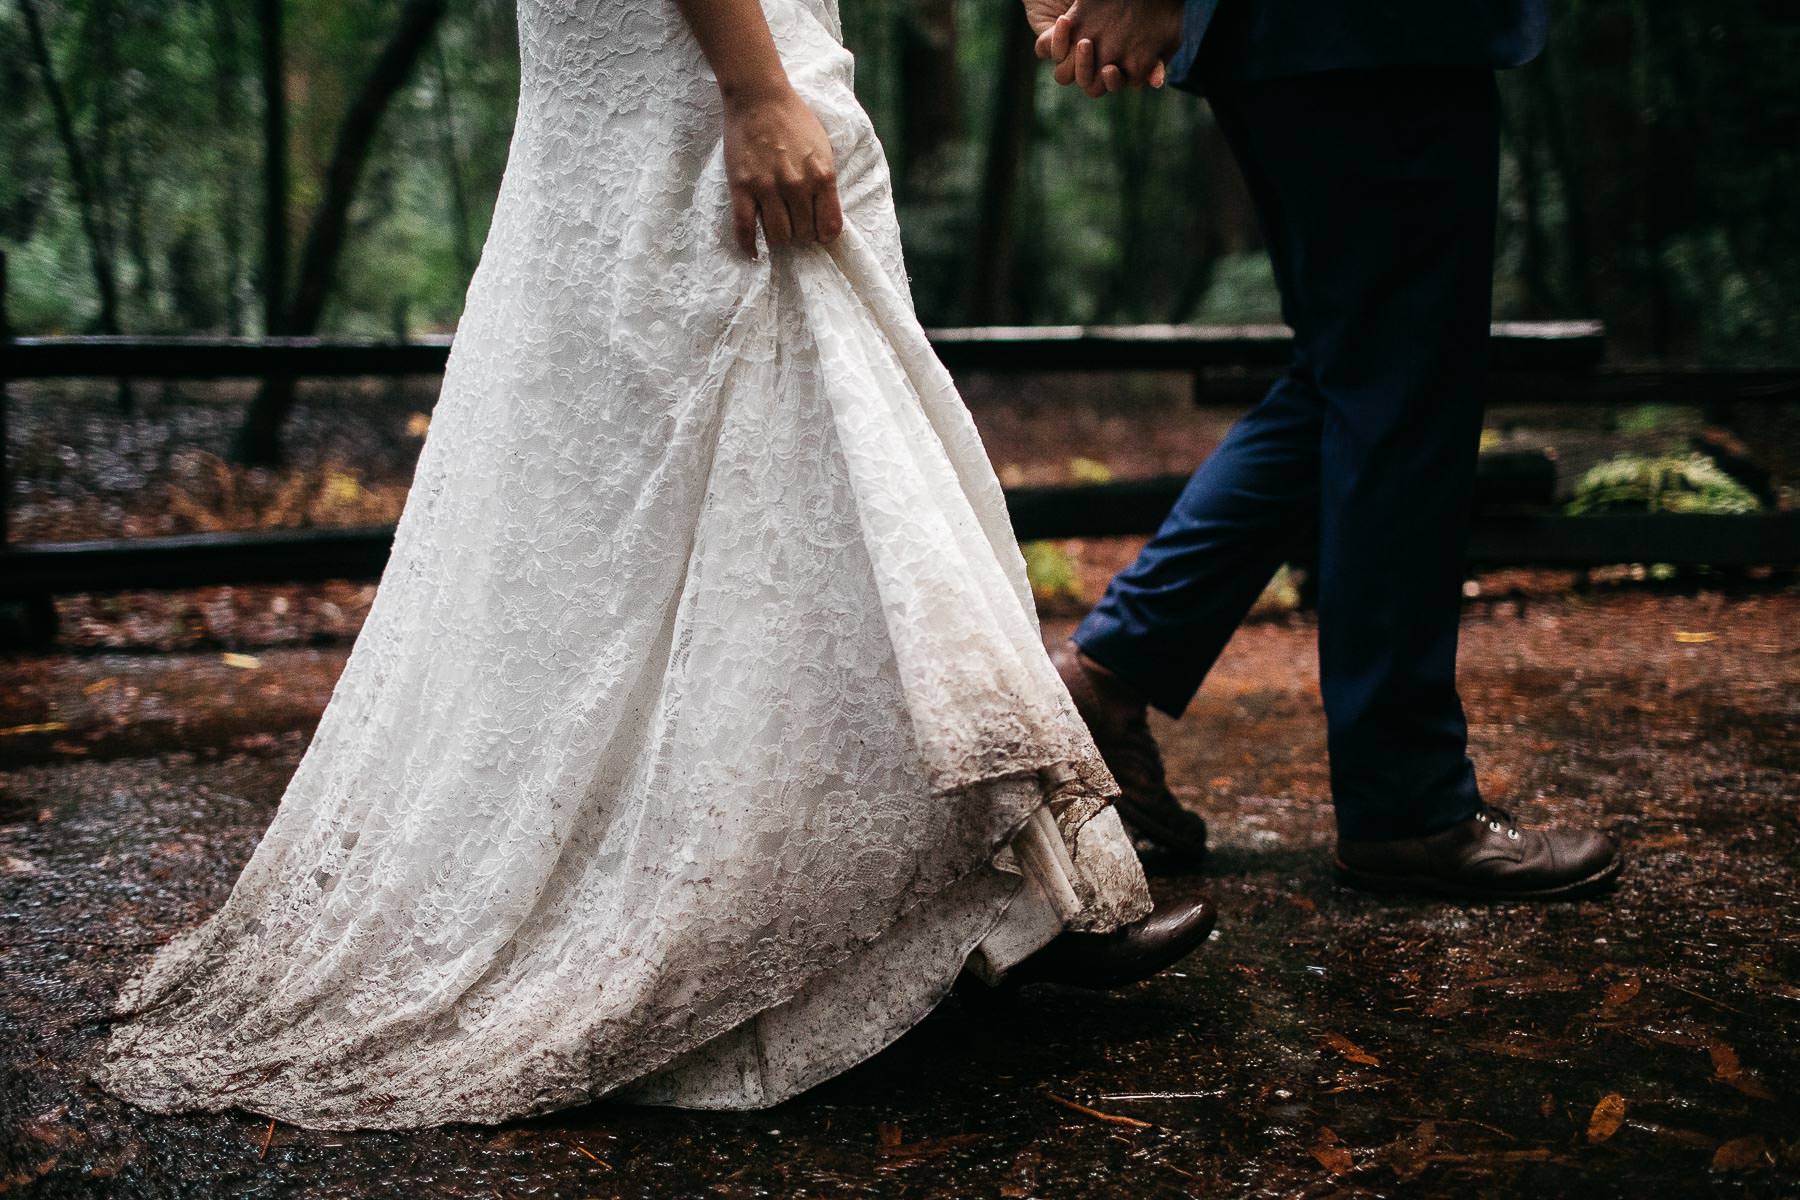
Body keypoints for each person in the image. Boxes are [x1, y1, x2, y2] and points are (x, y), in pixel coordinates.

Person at [89, 0, 1216, 1132]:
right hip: (694, 42)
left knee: (794, 447)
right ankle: (842, 920)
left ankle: (998, 905)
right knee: (768, 388)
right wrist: (751, 85)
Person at [1035, 0, 1624, 899]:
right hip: (1360, 31)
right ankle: (1408, 806)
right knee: (1401, 381)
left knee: (1357, 372)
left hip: (1298, 39)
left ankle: (1117, 665)